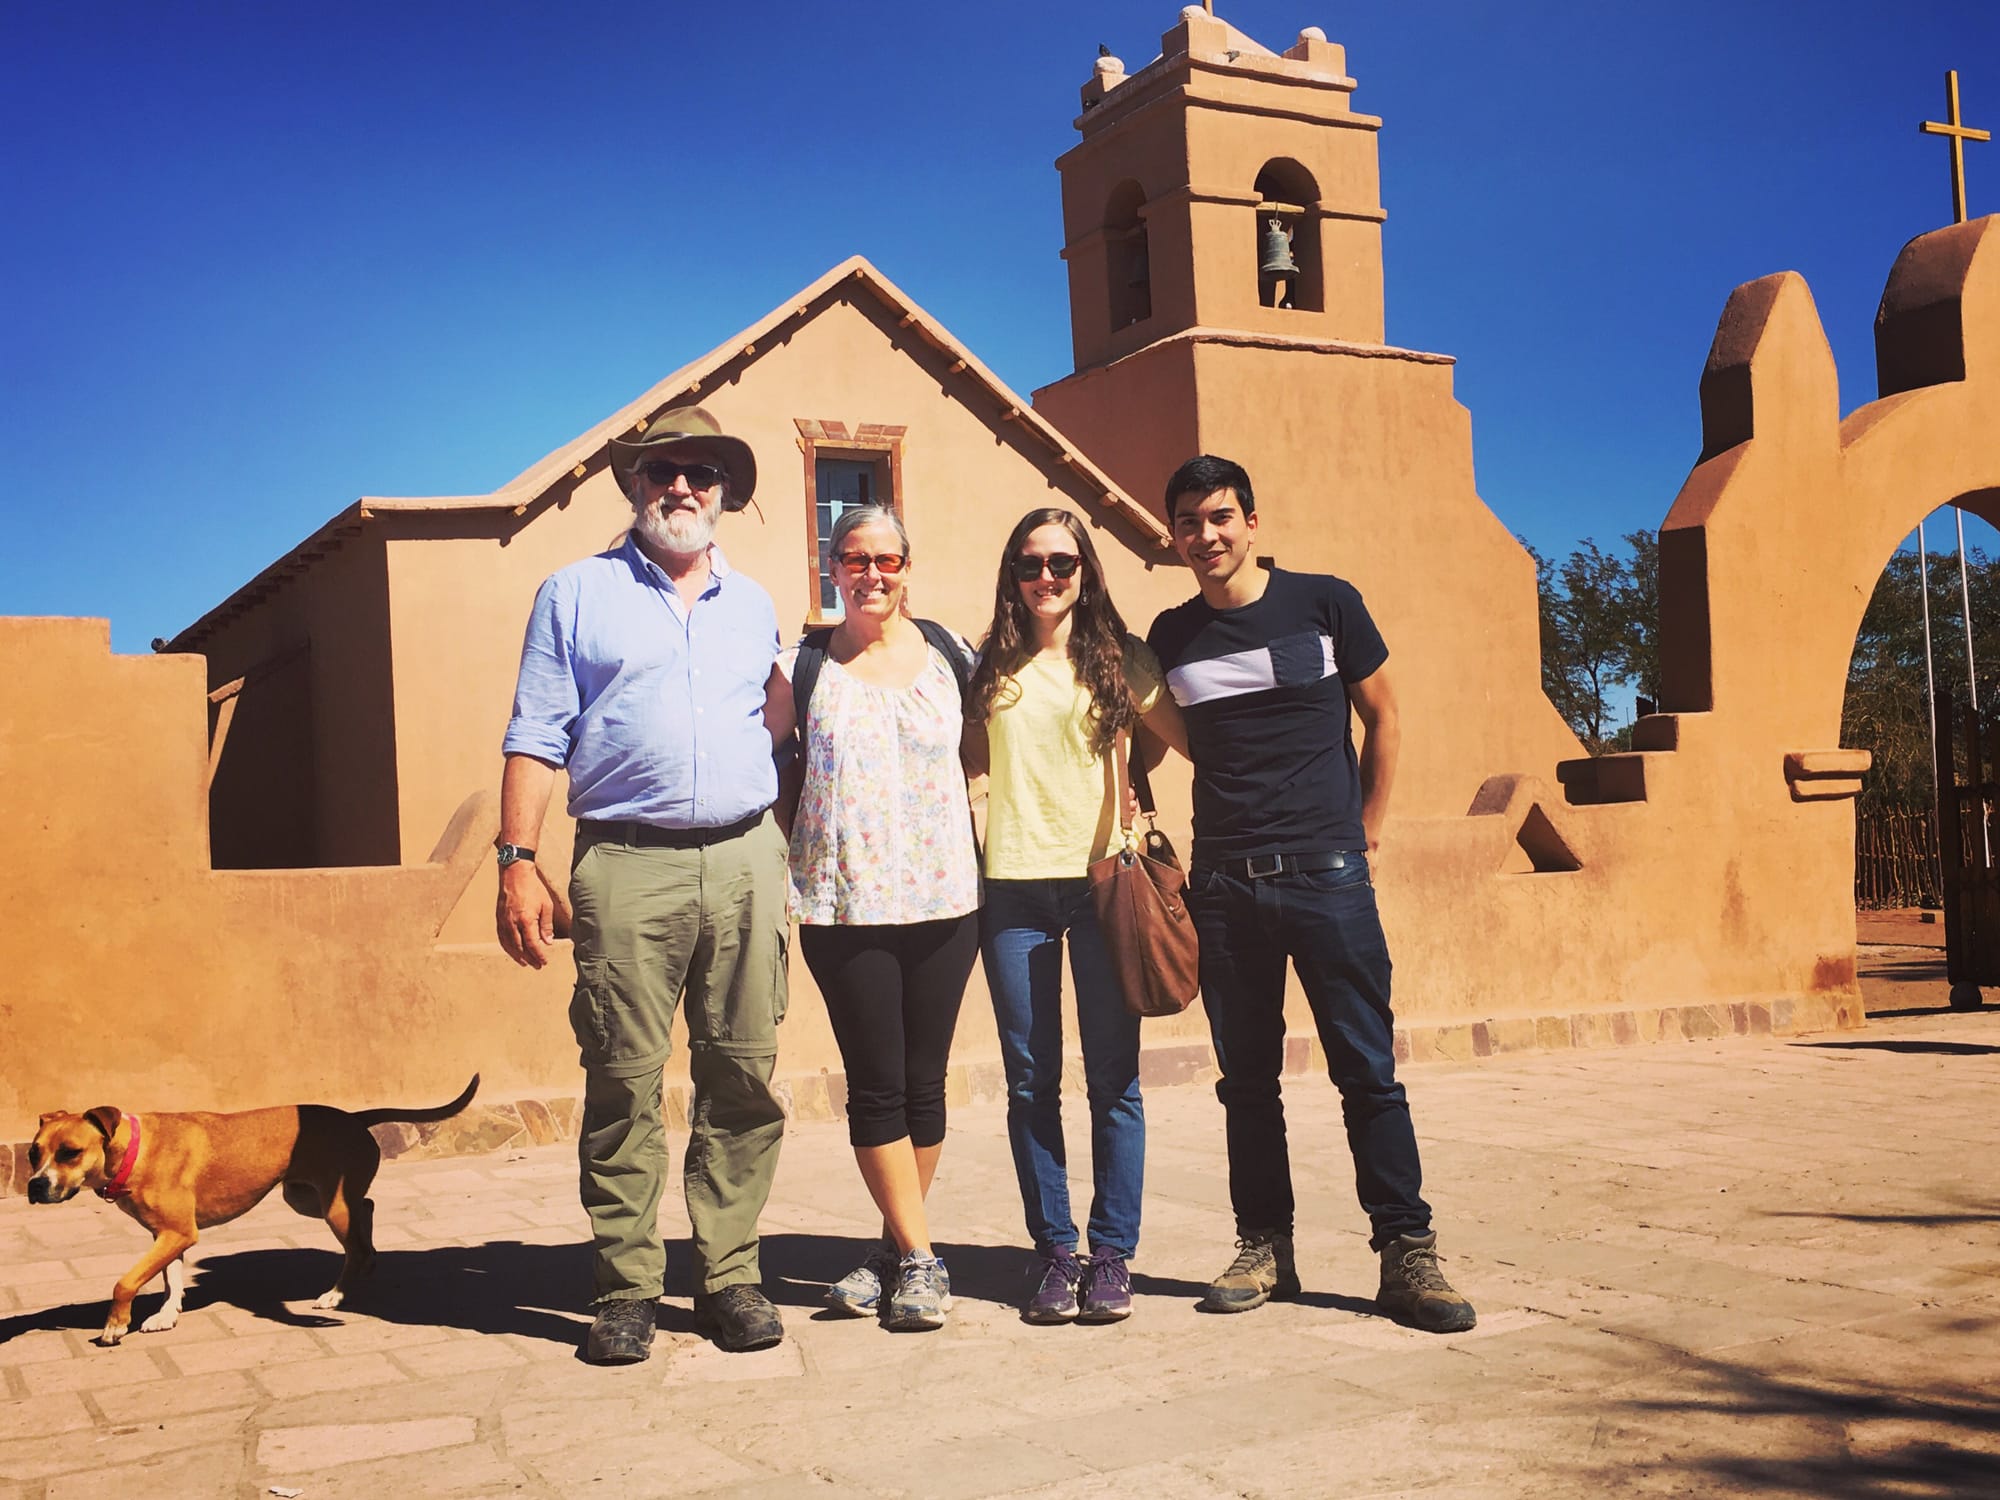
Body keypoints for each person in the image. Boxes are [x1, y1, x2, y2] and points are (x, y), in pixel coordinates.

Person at [1143, 454, 1476, 1333]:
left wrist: (1368, 828)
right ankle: (1265, 1249)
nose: (1206, 535)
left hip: (1329, 878)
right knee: (1246, 1084)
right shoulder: (1170, 637)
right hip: (1224, 885)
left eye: (1220, 516)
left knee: (1367, 1074)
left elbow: (1385, 714)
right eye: (1188, 522)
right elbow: (1169, 738)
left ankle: (1408, 1255)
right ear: (1173, 537)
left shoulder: (1325, 602)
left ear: (1251, 522)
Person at [497, 406, 790, 1364]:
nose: (682, 487)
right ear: (634, 484)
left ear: (724, 493)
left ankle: (730, 1276)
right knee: (622, 1080)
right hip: (624, 863)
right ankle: (625, 1288)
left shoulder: (754, 604)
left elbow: (776, 722)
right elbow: (536, 733)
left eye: (702, 473)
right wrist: (516, 860)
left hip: (745, 858)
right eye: (664, 470)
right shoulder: (575, 593)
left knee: (743, 1073)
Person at [762, 503, 981, 1332]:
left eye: (887, 560)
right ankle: (922, 1260)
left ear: (907, 568)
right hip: (842, 905)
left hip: (944, 901)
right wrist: (796, 840)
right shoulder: (801, 666)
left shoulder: (953, 656)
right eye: (855, 559)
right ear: (834, 569)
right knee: (876, 1083)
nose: (872, 574)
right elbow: (763, 763)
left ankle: (891, 1253)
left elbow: (990, 755)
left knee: (925, 1083)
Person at [965, 507, 1186, 1324]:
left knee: (1113, 1079)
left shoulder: (1123, 660)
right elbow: (971, 762)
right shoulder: (989, 664)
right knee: (1031, 1082)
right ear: (1013, 575)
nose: (1046, 577)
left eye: (1062, 562)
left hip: (1103, 888)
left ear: (1085, 571)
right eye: (1031, 564)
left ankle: (1113, 1255)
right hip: (1013, 891)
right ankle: (1056, 1253)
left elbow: (1181, 738)